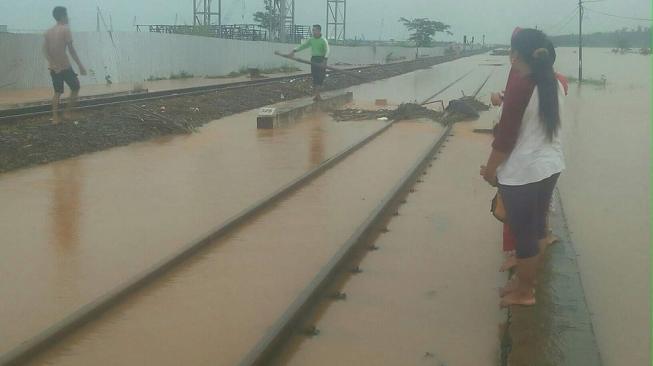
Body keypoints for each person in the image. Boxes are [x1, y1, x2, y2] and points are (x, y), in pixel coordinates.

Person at [480, 28, 565, 308]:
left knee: (525, 235)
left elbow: (505, 138)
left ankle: (525, 292)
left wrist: (490, 170)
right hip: (550, 166)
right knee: (538, 228)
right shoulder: (553, 82)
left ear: (515, 54)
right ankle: (527, 282)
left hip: (524, 172)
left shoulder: (521, 85)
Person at [43, 6, 87, 124]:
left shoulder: (48, 32)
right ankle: (67, 113)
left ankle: (55, 118)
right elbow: (71, 50)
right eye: (67, 15)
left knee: (57, 92)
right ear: (63, 16)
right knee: (75, 87)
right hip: (65, 66)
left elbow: (45, 51)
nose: (68, 17)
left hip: (54, 67)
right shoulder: (65, 29)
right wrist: (80, 66)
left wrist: (52, 63)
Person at [289, 24, 330, 101]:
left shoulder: (323, 40)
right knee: (315, 77)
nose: (313, 32)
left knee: (320, 77)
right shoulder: (311, 40)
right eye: (313, 30)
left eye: (314, 30)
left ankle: (317, 95)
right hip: (314, 59)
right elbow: (303, 45)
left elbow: (327, 50)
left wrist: (325, 60)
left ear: (319, 31)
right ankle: (317, 95)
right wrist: (294, 50)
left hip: (321, 60)